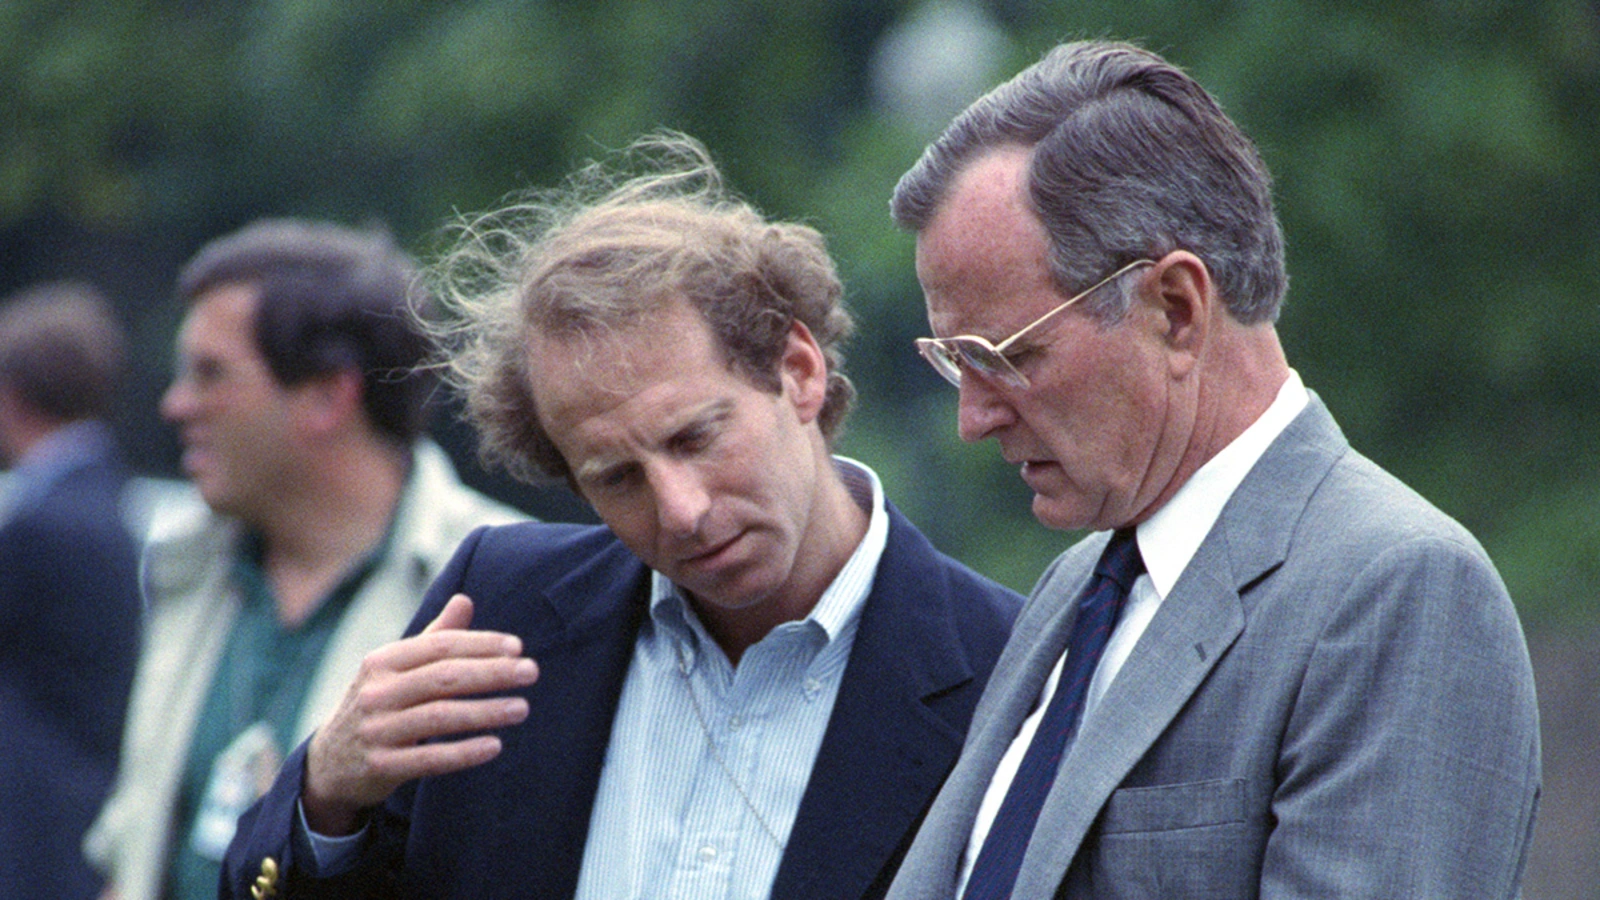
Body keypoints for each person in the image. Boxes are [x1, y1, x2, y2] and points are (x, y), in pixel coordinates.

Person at [220, 133, 1023, 900]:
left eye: (696, 437)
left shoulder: (1013, 672)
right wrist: (326, 794)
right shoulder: (500, 611)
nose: (682, 510)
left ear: (799, 371)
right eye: (616, 478)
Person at [881, 40, 1540, 900]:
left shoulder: (1398, 589)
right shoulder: (1077, 589)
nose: (975, 419)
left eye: (1004, 357)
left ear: (1177, 308)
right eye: (952, 362)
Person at [83, 220, 524, 900]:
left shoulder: (507, 584)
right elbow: (133, 850)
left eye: (210, 374)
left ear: (327, 395)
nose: (175, 405)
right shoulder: (186, 567)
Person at [0, 283, 142, 900]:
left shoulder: (41, 523)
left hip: (35, 824)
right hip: (88, 796)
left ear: (12, 394)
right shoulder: (107, 495)